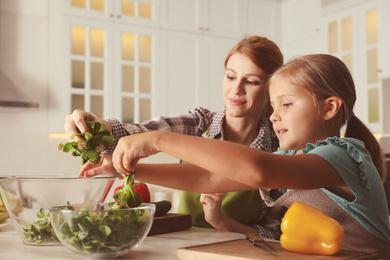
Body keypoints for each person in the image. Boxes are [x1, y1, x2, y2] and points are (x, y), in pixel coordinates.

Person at [88, 54, 390, 257]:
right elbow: (207, 177)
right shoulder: (300, 159)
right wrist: (127, 171)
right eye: (272, 108)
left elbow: (260, 171)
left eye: (286, 105)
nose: (274, 117)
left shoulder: (343, 155)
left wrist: (158, 140)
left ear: (330, 108)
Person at [65, 36, 284, 235]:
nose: (236, 89)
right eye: (230, 76)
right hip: (183, 244)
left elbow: (274, 233)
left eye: (251, 81)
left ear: (271, 89)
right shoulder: (200, 125)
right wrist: (97, 128)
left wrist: (223, 222)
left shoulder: (280, 147)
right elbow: (137, 133)